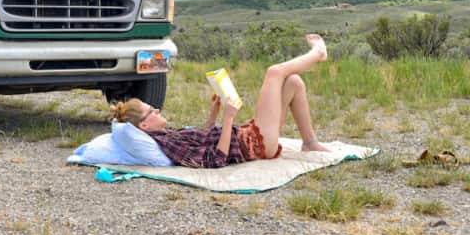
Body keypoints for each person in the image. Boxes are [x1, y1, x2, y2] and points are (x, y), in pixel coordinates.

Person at [110, 34, 331, 168]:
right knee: (274, 72)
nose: (158, 109)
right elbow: (216, 160)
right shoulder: (167, 144)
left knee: (293, 82)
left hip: (249, 136)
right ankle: (318, 52)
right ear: (145, 125)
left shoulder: (167, 135)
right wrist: (228, 119)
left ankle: (309, 142)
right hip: (253, 145)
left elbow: (203, 140)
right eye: (153, 112)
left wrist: (214, 114)